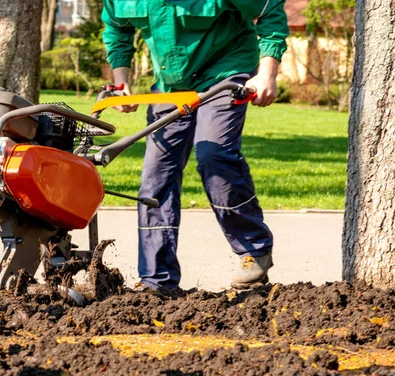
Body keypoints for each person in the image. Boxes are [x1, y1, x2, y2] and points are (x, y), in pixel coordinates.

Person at [101, 1, 289, 290]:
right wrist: (120, 80)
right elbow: (116, 27)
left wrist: (267, 72)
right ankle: (157, 280)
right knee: (156, 178)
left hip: (225, 71)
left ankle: (254, 250)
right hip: (170, 84)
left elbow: (268, 9)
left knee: (213, 154)